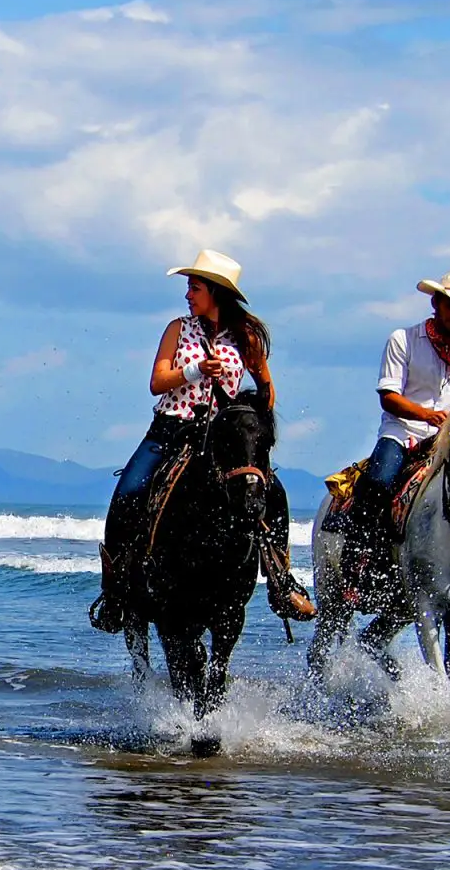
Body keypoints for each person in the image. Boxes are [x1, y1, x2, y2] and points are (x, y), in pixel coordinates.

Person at [89, 250, 316, 633]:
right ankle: (115, 594)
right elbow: (157, 382)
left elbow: (267, 389)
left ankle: (281, 580)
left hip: (221, 440)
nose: (188, 295)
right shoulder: (178, 329)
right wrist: (194, 370)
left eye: (194, 288)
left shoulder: (245, 339)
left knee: (273, 494)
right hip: (170, 430)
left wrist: (253, 417)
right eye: (189, 288)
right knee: (127, 493)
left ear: (215, 292)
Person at [342, 266, 450, 619]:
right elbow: (388, 396)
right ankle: (356, 567)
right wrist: (426, 416)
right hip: (402, 433)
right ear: (436, 302)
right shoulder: (403, 340)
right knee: (377, 482)